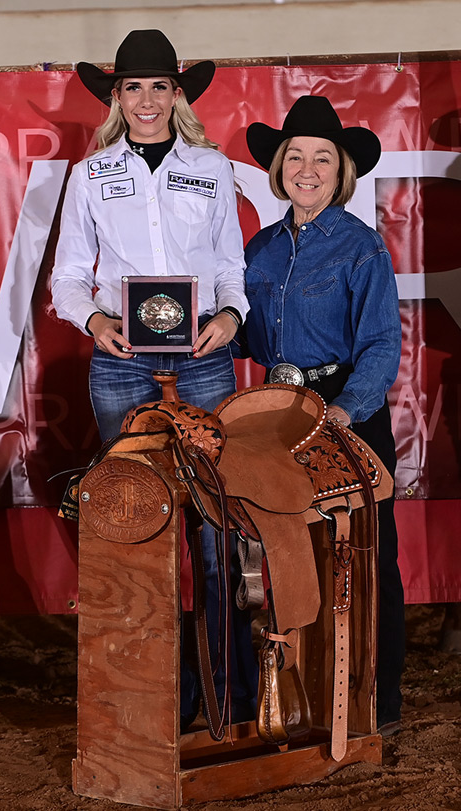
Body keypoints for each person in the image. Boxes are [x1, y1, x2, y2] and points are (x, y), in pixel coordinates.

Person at [51, 29, 257, 729]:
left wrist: (231, 314)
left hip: (201, 356)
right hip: (122, 361)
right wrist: (93, 323)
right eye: (132, 86)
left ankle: (229, 693)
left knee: (215, 525)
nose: (146, 99)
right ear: (116, 97)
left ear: (178, 94)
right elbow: (69, 276)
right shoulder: (90, 174)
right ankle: (151, 699)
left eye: (158, 85)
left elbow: (231, 264)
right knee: (133, 524)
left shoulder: (212, 166)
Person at [241, 95, 405, 734]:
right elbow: (243, 334)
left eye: (323, 160)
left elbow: (381, 344)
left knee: (367, 554)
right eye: (297, 157)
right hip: (274, 411)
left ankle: (378, 701)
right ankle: (302, 698)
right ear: (279, 169)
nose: (308, 170)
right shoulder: (258, 250)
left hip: (344, 411)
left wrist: (341, 413)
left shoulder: (361, 247)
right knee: (288, 552)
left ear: (341, 174)